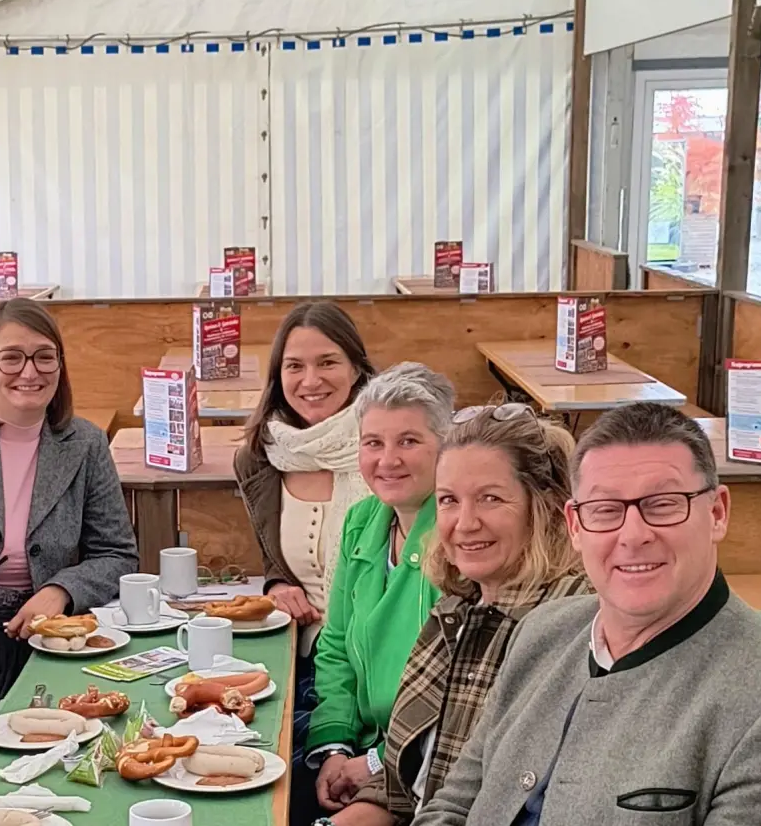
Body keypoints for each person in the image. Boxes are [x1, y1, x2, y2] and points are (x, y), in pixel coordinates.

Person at [412, 402, 761, 826]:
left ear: (717, 513)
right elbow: (453, 804)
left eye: (663, 503)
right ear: (576, 527)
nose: (633, 535)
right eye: (605, 510)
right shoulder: (541, 633)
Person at [324, 404, 589, 826]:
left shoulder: (568, 625)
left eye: (490, 498)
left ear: (546, 506)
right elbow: (403, 783)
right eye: (449, 500)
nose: (465, 523)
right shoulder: (458, 606)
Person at [0, 299, 138, 718]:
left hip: (54, 637)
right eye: (12, 358)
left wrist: (60, 591)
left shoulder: (87, 445)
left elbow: (117, 554)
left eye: (45, 357)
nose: (30, 371)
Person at [233, 299, 378, 807]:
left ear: (358, 367)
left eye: (328, 362)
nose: (310, 380)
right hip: (299, 656)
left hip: (378, 661)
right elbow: (277, 559)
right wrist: (276, 585)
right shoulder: (262, 456)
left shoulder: (387, 450)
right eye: (294, 366)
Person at [308, 362, 454, 816]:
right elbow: (334, 645)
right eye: (373, 443)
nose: (386, 461)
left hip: (426, 765)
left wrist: (373, 761)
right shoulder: (362, 520)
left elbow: (457, 692)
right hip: (358, 744)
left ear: (445, 448)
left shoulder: (460, 536)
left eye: (408, 441)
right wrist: (332, 745)